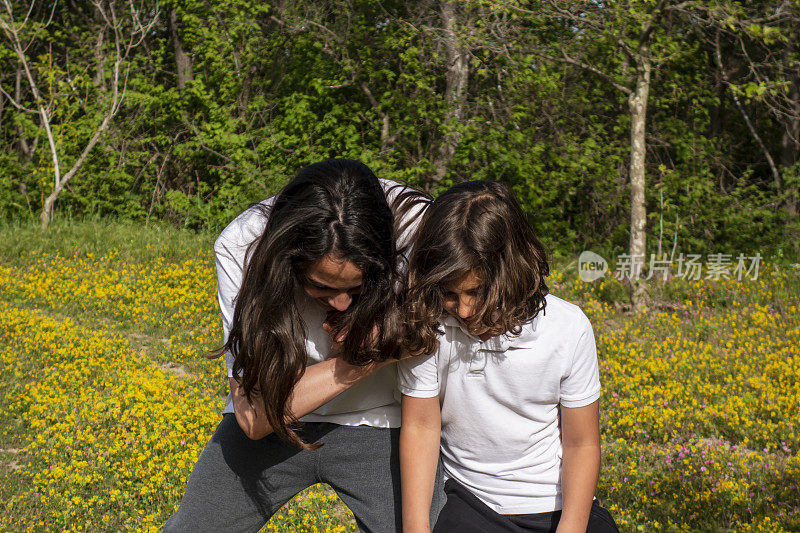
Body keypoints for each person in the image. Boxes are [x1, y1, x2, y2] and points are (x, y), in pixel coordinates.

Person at [165, 159, 443, 533]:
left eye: (357, 288)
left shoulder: (421, 228)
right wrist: (363, 356)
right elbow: (254, 416)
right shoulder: (243, 246)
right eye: (322, 287)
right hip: (277, 424)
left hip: (387, 419)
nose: (341, 303)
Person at [397, 181, 619, 533]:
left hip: (558, 506)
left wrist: (571, 526)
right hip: (471, 502)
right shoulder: (429, 326)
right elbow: (421, 427)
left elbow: (582, 443)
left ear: (512, 271)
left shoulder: (568, 326)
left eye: (476, 291)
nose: (465, 310)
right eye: (449, 294)